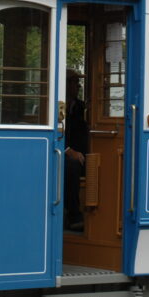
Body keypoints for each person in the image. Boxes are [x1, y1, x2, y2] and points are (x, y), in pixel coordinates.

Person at [63, 70, 90, 231]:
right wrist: (67, 150)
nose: (78, 86)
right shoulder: (50, 105)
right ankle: (74, 216)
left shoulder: (82, 107)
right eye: (74, 82)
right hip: (59, 152)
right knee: (71, 166)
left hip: (81, 153)